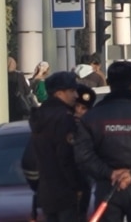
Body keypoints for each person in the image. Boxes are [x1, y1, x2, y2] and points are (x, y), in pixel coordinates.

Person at [74, 61, 131, 222]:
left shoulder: (92, 117)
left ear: (108, 82)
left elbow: (84, 156)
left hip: (105, 187)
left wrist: (109, 173)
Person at [27, 72, 87, 222]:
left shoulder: (39, 118)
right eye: (72, 91)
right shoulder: (64, 119)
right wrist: (79, 185)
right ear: (59, 93)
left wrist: (38, 186)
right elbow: (67, 157)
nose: (75, 95)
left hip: (47, 194)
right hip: (67, 193)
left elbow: (28, 161)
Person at [9, 57, 35, 121]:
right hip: (18, 105)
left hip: (6, 106)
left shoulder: (2, 76)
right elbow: (27, 91)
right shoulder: (19, 75)